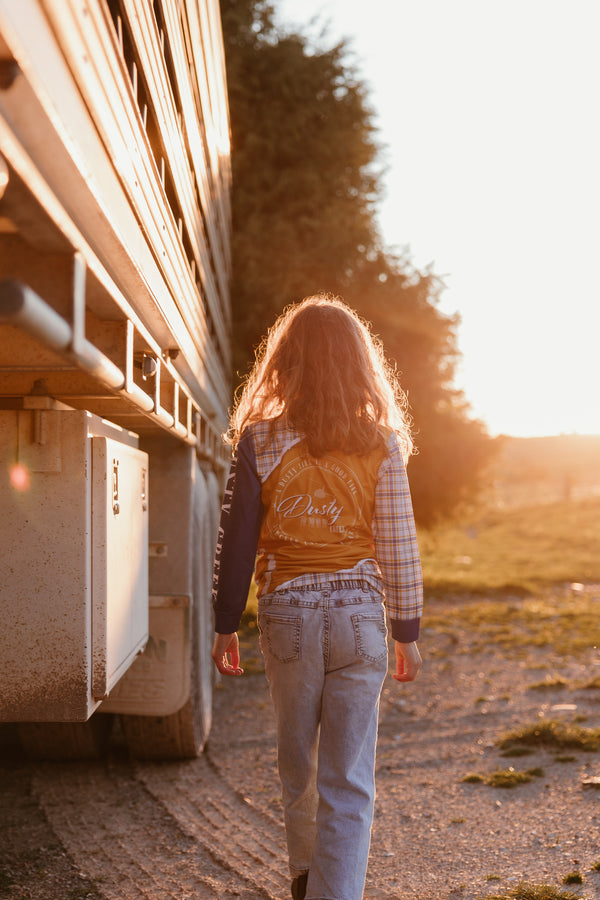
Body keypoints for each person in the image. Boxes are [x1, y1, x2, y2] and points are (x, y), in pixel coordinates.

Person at [211, 293, 423, 900]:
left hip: (287, 616)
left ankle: (307, 880)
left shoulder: (259, 440)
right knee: (348, 780)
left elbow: (236, 540)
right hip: (359, 614)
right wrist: (405, 629)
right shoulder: (382, 444)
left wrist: (227, 623)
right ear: (360, 367)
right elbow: (398, 542)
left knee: (297, 767)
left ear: (286, 364)